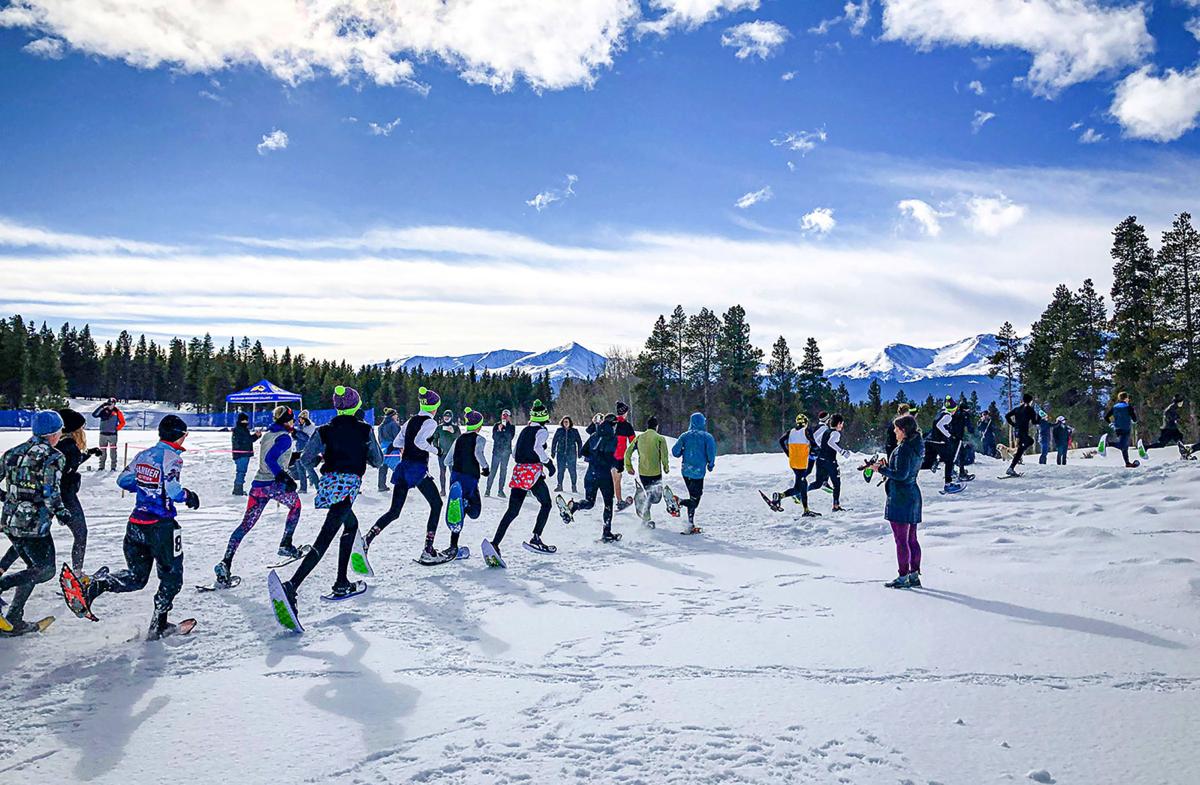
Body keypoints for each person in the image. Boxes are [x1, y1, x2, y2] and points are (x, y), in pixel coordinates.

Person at [74, 415, 201, 639]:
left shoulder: (144, 455)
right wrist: (189, 496)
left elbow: (123, 480)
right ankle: (159, 625)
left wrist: (143, 486)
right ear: (179, 436)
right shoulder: (172, 458)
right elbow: (173, 490)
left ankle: (97, 586)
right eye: (184, 435)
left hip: (135, 524)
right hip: (161, 527)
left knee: (136, 577)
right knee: (172, 577)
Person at [272, 385, 382, 624]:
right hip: (348, 487)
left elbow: (306, 460)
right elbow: (378, 460)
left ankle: (342, 581)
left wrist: (325, 457)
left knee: (351, 526)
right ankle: (292, 586)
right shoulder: (364, 429)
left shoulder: (324, 430)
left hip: (331, 485)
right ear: (356, 405)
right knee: (325, 538)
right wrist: (360, 453)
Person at [214, 406, 304, 588]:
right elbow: (272, 460)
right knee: (296, 507)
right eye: (292, 420)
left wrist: (296, 458)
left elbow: (276, 457)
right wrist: (284, 477)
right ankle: (286, 544)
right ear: (287, 421)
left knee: (245, 524)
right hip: (274, 485)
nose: (294, 423)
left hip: (259, 485)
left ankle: (225, 562)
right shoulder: (285, 437)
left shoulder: (269, 434)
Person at [0, 411, 70, 635]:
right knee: (45, 570)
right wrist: (61, 512)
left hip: (10, 521)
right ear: (54, 433)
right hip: (33, 525)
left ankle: (14, 617)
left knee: (32, 568)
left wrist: (9, 497)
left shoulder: (13, 452)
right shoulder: (53, 456)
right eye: (60, 431)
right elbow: (50, 491)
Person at [366, 387, 450, 565]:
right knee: (437, 504)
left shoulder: (410, 421)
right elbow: (420, 442)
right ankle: (428, 550)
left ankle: (367, 539)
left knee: (394, 511)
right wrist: (437, 450)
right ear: (434, 407)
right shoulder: (430, 422)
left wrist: (407, 447)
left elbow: (397, 442)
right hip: (417, 469)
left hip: (403, 467)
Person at [483, 399, 556, 565]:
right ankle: (536, 537)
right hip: (532, 473)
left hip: (519, 472)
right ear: (545, 418)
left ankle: (495, 543)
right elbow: (538, 448)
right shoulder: (542, 431)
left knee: (512, 511)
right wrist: (548, 463)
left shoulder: (524, 431)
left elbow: (515, 454)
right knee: (546, 504)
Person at [868, 413, 925, 589]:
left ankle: (903, 576)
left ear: (903, 430)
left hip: (901, 497)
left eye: (896, 428)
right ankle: (914, 574)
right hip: (913, 494)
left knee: (901, 540)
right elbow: (905, 470)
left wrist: (881, 469)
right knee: (912, 539)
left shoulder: (903, 449)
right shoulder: (917, 445)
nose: (894, 431)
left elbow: (901, 474)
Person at [442, 407, 489, 558]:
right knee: (476, 511)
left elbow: (447, 460)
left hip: (455, 478)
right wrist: (485, 467)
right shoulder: (479, 439)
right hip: (470, 479)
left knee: (456, 514)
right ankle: (466, 505)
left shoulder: (458, 439)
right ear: (479, 426)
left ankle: (453, 546)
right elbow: (478, 453)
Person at [563, 414, 619, 538]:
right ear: (613, 424)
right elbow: (611, 457)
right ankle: (606, 532)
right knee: (608, 503)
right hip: (604, 475)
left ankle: (575, 506)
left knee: (589, 502)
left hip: (591, 473)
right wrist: (618, 465)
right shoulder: (613, 438)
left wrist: (593, 458)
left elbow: (583, 452)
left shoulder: (594, 435)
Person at [671, 412, 717, 534]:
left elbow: (675, 452)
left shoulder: (684, 436)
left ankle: (690, 525)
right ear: (702, 422)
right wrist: (710, 465)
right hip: (698, 473)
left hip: (686, 471)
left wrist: (683, 452)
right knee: (695, 500)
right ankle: (679, 501)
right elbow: (711, 454)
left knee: (692, 497)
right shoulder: (707, 437)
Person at [768, 413, 819, 517]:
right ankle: (806, 510)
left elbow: (781, 441)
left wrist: (787, 452)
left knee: (798, 488)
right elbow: (813, 443)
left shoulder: (790, 432)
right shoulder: (806, 431)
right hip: (802, 464)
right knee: (803, 486)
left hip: (793, 463)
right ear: (805, 423)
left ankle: (780, 496)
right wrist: (816, 450)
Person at [625, 415, 670, 528]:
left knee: (649, 494)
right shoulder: (660, 438)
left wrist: (629, 466)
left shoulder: (639, 438)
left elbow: (628, 452)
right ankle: (645, 517)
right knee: (656, 497)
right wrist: (666, 466)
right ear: (656, 426)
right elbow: (664, 455)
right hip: (655, 473)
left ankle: (644, 513)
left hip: (643, 473)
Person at [809, 414, 851, 509]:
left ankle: (801, 492)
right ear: (839, 423)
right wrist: (842, 452)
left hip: (820, 460)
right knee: (836, 484)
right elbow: (830, 442)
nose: (842, 426)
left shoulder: (826, 432)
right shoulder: (836, 433)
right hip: (830, 462)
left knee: (818, 483)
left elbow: (819, 441)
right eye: (842, 424)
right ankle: (836, 506)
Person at [922, 397, 963, 493]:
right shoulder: (948, 416)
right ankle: (948, 484)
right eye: (955, 410)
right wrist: (949, 435)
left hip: (930, 440)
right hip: (939, 442)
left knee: (927, 463)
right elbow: (939, 425)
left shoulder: (941, 412)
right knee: (949, 461)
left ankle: (909, 470)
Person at [1004, 393, 1041, 477]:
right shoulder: (1030, 410)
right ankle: (1017, 454)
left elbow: (1007, 416)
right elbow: (1035, 422)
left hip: (1017, 432)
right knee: (1030, 441)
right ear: (1030, 401)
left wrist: (1013, 424)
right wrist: (1039, 417)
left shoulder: (1017, 409)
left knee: (1021, 450)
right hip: (1023, 432)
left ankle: (1011, 468)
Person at [1104, 391, 1140, 468]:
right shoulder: (1128, 407)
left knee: (1125, 447)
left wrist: (1111, 424)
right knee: (1122, 445)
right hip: (1126, 428)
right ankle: (1107, 444)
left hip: (1117, 428)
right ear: (1126, 398)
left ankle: (1127, 463)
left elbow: (1106, 417)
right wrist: (1133, 420)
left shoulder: (1115, 407)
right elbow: (1134, 419)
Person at [612, 401, 637, 510]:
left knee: (614, 478)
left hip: (609, 455)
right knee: (617, 479)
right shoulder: (627, 425)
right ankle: (619, 501)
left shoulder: (611, 422)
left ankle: (614, 497)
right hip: (619, 456)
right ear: (625, 412)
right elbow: (633, 441)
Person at [486, 409, 515, 497]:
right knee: (493, 471)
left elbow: (510, 437)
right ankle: (488, 490)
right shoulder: (496, 425)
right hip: (497, 452)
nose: (504, 417)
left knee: (503, 471)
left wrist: (504, 430)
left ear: (509, 417)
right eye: (503, 415)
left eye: (506, 415)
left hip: (506, 453)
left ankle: (500, 491)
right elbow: (494, 437)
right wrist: (499, 430)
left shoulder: (512, 427)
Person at [230, 412, 261, 496]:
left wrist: (256, 436)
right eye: (245, 420)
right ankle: (238, 490)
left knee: (241, 472)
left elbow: (247, 440)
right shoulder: (240, 430)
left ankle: (238, 489)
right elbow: (247, 440)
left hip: (241, 454)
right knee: (241, 472)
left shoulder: (241, 429)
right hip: (242, 454)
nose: (246, 422)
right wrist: (256, 436)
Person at [91, 397, 125, 471]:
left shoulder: (117, 412)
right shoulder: (103, 411)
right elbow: (94, 415)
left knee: (113, 452)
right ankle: (101, 467)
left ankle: (113, 467)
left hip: (112, 435)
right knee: (102, 451)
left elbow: (122, 422)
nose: (110, 405)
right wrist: (101, 406)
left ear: (114, 404)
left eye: (112, 403)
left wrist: (117, 428)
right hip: (103, 434)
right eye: (109, 403)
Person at [551, 416, 583, 493]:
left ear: (570, 423)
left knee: (572, 471)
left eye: (567, 421)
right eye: (564, 421)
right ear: (562, 422)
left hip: (571, 453)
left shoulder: (574, 431)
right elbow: (554, 441)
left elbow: (579, 442)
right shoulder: (559, 431)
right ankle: (559, 485)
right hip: (560, 453)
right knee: (560, 470)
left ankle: (574, 486)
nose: (566, 423)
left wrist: (580, 452)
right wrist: (553, 452)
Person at [290, 410, 319, 493]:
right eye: (299, 418)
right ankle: (303, 488)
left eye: (301, 418)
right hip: (298, 450)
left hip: (307, 451)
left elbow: (307, 438)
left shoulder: (310, 427)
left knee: (309, 469)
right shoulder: (300, 426)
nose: (300, 420)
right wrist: (294, 434)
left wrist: (297, 433)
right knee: (300, 470)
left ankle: (318, 486)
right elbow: (299, 438)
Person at [436, 410, 461, 496]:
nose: (446, 418)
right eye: (445, 416)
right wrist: (437, 449)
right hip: (442, 454)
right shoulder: (439, 427)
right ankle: (443, 490)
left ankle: (452, 489)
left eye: (448, 417)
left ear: (451, 417)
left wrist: (453, 432)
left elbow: (459, 439)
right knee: (442, 472)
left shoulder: (456, 428)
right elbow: (435, 439)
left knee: (453, 473)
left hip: (452, 454)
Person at [376, 408, 401, 492]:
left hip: (383, 448)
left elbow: (379, 438)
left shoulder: (381, 425)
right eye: (396, 414)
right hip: (392, 448)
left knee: (383, 467)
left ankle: (381, 486)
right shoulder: (394, 424)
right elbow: (397, 438)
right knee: (397, 468)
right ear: (393, 415)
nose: (397, 416)